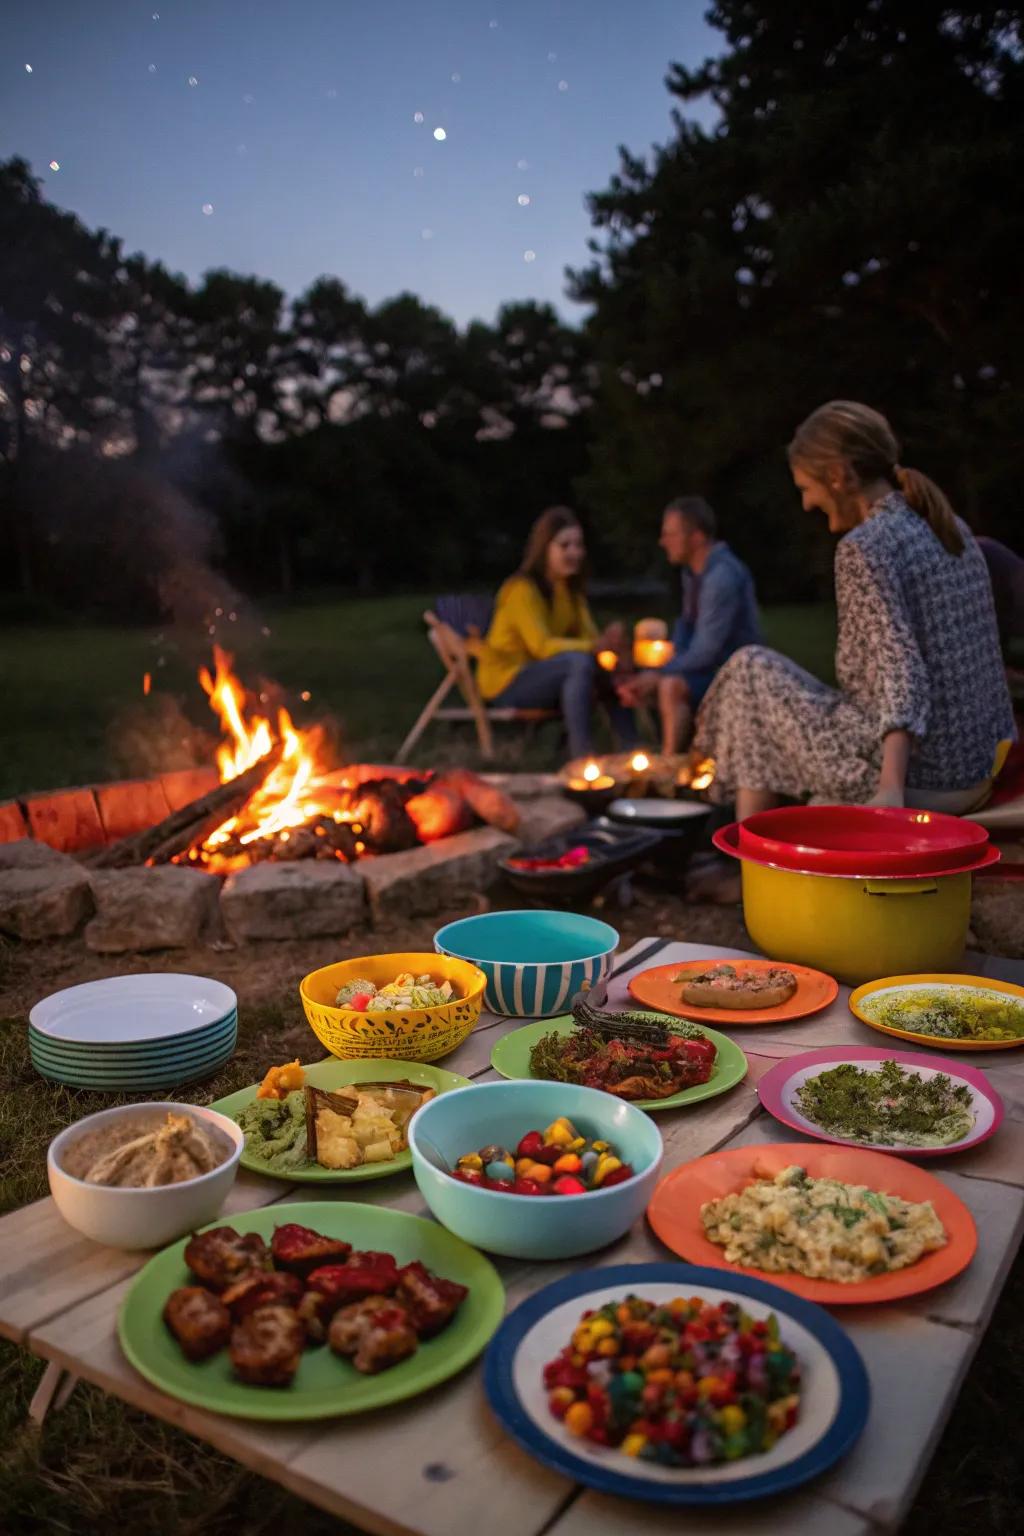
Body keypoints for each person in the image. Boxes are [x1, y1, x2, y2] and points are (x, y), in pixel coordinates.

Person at [695, 400, 1016, 829]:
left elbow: (901, 672)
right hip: (978, 768)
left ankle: (745, 858)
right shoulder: (947, 525)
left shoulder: (864, 549)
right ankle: (743, 848)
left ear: (838, 476)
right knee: (753, 681)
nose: (807, 503)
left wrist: (890, 790)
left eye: (807, 488)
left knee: (747, 672)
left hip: (920, 777)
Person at [475, 506, 637, 759]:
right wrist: (594, 647)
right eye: (565, 545)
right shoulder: (520, 589)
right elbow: (541, 646)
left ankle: (633, 752)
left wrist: (611, 648)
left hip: (550, 674)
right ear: (545, 549)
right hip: (508, 683)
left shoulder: (569, 591)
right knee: (578, 661)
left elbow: (591, 640)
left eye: (578, 545)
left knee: (603, 666)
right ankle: (582, 758)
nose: (575, 553)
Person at [616, 496, 761, 754]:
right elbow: (685, 628)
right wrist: (656, 669)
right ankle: (668, 753)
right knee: (648, 682)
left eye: (670, 534)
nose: (663, 542)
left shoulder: (720, 577)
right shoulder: (692, 574)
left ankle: (669, 765)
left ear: (695, 538)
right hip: (708, 667)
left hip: (733, 673)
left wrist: (661, 674)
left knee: (670, 686)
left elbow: (707, 651)